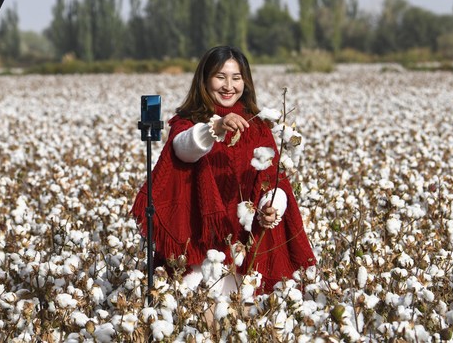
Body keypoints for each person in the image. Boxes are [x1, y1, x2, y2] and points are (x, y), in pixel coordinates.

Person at [131, 45, 316, 295]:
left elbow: (272, 180)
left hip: (245, 251)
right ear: (205, 80)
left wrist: (271, 206)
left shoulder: (257, 126)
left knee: (244, 312)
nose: (229, 86)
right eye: (220, 77)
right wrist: (215, 128)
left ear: (245, 82)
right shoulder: (188, 122)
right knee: (199, 314)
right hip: (198, 252)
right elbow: (183, 149)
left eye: (236, 78)